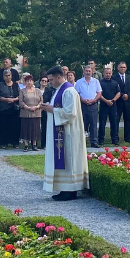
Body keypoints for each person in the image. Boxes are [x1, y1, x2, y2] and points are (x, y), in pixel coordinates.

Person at [42, 66, 88, 200]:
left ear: (59, 77)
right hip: (60, 132)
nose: (49, 82)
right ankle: (64, 188)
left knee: (69, 158)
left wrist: (52, 110)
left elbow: (70, 113)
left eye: (51, 80)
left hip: (69, 133)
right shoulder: (58, 90)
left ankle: (71, 190)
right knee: (63, 159)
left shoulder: (69, 91)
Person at [75, 66, 103, 147]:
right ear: (83, 72)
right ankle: (82, 142)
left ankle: (94, 142)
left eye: (89, 71)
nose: (88, 72)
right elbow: (77, 94)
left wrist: (94, 100)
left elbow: (99, 93)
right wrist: (83, 100)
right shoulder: (79, 82)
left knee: (93, 124)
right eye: (86, 71)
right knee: (83, 123)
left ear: (92, 72)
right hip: (83, 104)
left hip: (93, 104)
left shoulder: (96, 81)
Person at [0, 70, 22, 147]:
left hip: (14, 108)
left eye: (9, 75)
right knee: (4, 126)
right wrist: (6, 99)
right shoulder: (0, 85)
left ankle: (15, 142)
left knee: (15, 125)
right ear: (3, 77)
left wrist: (14, 99)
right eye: (6, 76)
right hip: (3, 108)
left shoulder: (16, 85)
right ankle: (3, 142)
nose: (8, 77)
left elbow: (20, 95)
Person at [20, 74, 44, 151]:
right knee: (26, 128)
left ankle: (34, 145)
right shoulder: (22, 91)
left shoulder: (38, 91)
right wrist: (28, 107)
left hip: (36, 112)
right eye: (27, 81)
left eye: (30, 81)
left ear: (33, 81)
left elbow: (41, 100)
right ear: (25, 82)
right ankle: (26, 145)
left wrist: (36, 107)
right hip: (26, 112)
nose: (29, 82)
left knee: (35, 129)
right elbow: (21, 102)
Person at [99, 65, 121, 145]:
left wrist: (113, 100)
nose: (108, 74)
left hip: (113, 105)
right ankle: (101, 140)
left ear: (111, 74)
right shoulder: (100, 83)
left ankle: (114, 140)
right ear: (103, 74)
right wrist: (106, 101)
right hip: (103, 105)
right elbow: (98, 94)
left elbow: (118, 93)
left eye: (109, 73)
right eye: (106, 73)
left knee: (114, 123)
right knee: (102, 123)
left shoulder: (115, 83)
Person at [114, 62, 130, 143]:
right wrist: (122, 95)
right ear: (118, 68)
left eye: (124, 67)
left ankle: (127, 138)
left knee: (127, 120)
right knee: (116, 120)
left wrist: (128, 95)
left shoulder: (129, 77)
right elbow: (114, 88)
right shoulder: (114, 77)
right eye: (121, 67)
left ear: (126, 68)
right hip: (118, 102)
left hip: (127, 102)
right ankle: (115, 138)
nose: (122, 68)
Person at [39, 74, 54, 147]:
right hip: (36, 110)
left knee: (44, 127)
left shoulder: (49, 90)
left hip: (45, 110)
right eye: (43, 81)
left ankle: (43, 144)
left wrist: (43, 107)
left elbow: (50, 100)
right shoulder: (36, 89)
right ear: (40, 81)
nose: (44, 82)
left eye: (46, 81)